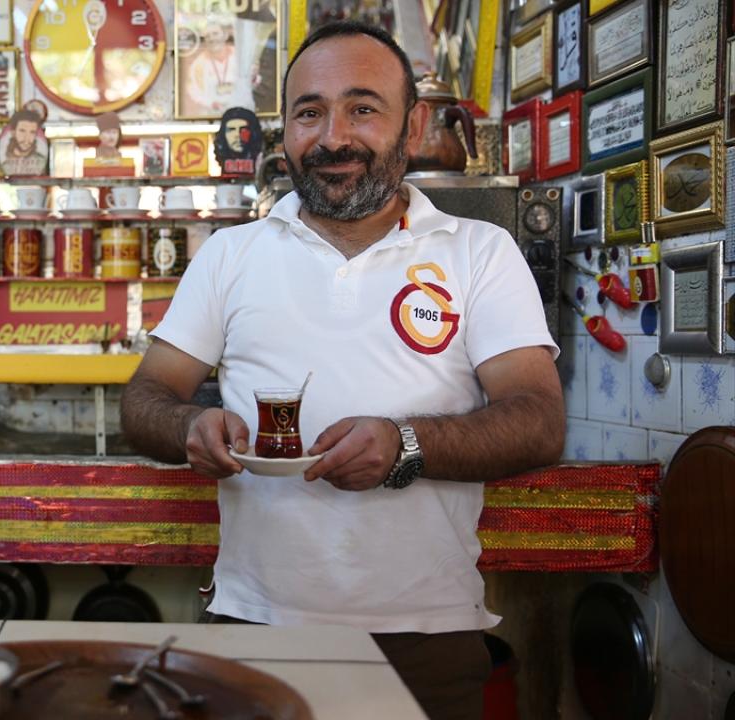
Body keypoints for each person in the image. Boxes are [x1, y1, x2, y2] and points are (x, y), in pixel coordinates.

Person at [120, 21, 563, 720]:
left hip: (427, 638)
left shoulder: (480, 252)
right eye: (309, 112)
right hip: (254, 627)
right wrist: (188, 427)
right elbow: (146, 397)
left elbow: (538, 421)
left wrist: (406, 444)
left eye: (362, 108)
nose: (333, 137)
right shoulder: (230, 256)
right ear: (285, 131)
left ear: (412, 126)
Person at [184, 17, 256, 116]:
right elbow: (193, 91)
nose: (211, 39)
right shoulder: (198, 64)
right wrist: (211, 103)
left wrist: (253, 78)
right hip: (212, 115)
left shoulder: (240, 55)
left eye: (215, 34)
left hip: (242, 112)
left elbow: (254, 82)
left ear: (225, 35)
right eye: (207, 36)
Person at [0, 109, 47, 177]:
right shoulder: (4, 163)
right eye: (22, 131)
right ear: (13, 133)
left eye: (32, 132)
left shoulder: (41, 161)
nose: (27, 138)